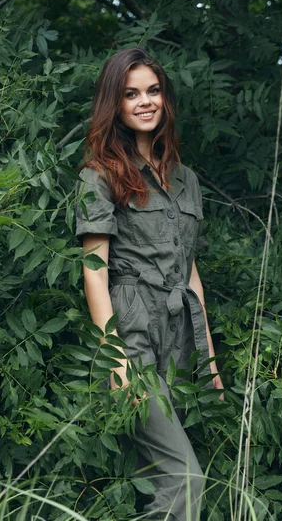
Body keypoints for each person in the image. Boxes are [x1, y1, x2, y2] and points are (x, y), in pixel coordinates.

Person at [75, 47, 224, 520]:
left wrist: (211, 361)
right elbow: (94, 270)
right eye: (131, 93)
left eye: (153, 91)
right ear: (113, 104)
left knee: (174, 480)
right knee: (185, 478)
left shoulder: (187, 180)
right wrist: (115, 359)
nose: (145, 102)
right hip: (132, 335)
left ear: (166, 99)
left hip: (180, 338)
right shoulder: (99, 175)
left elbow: (189, 271)